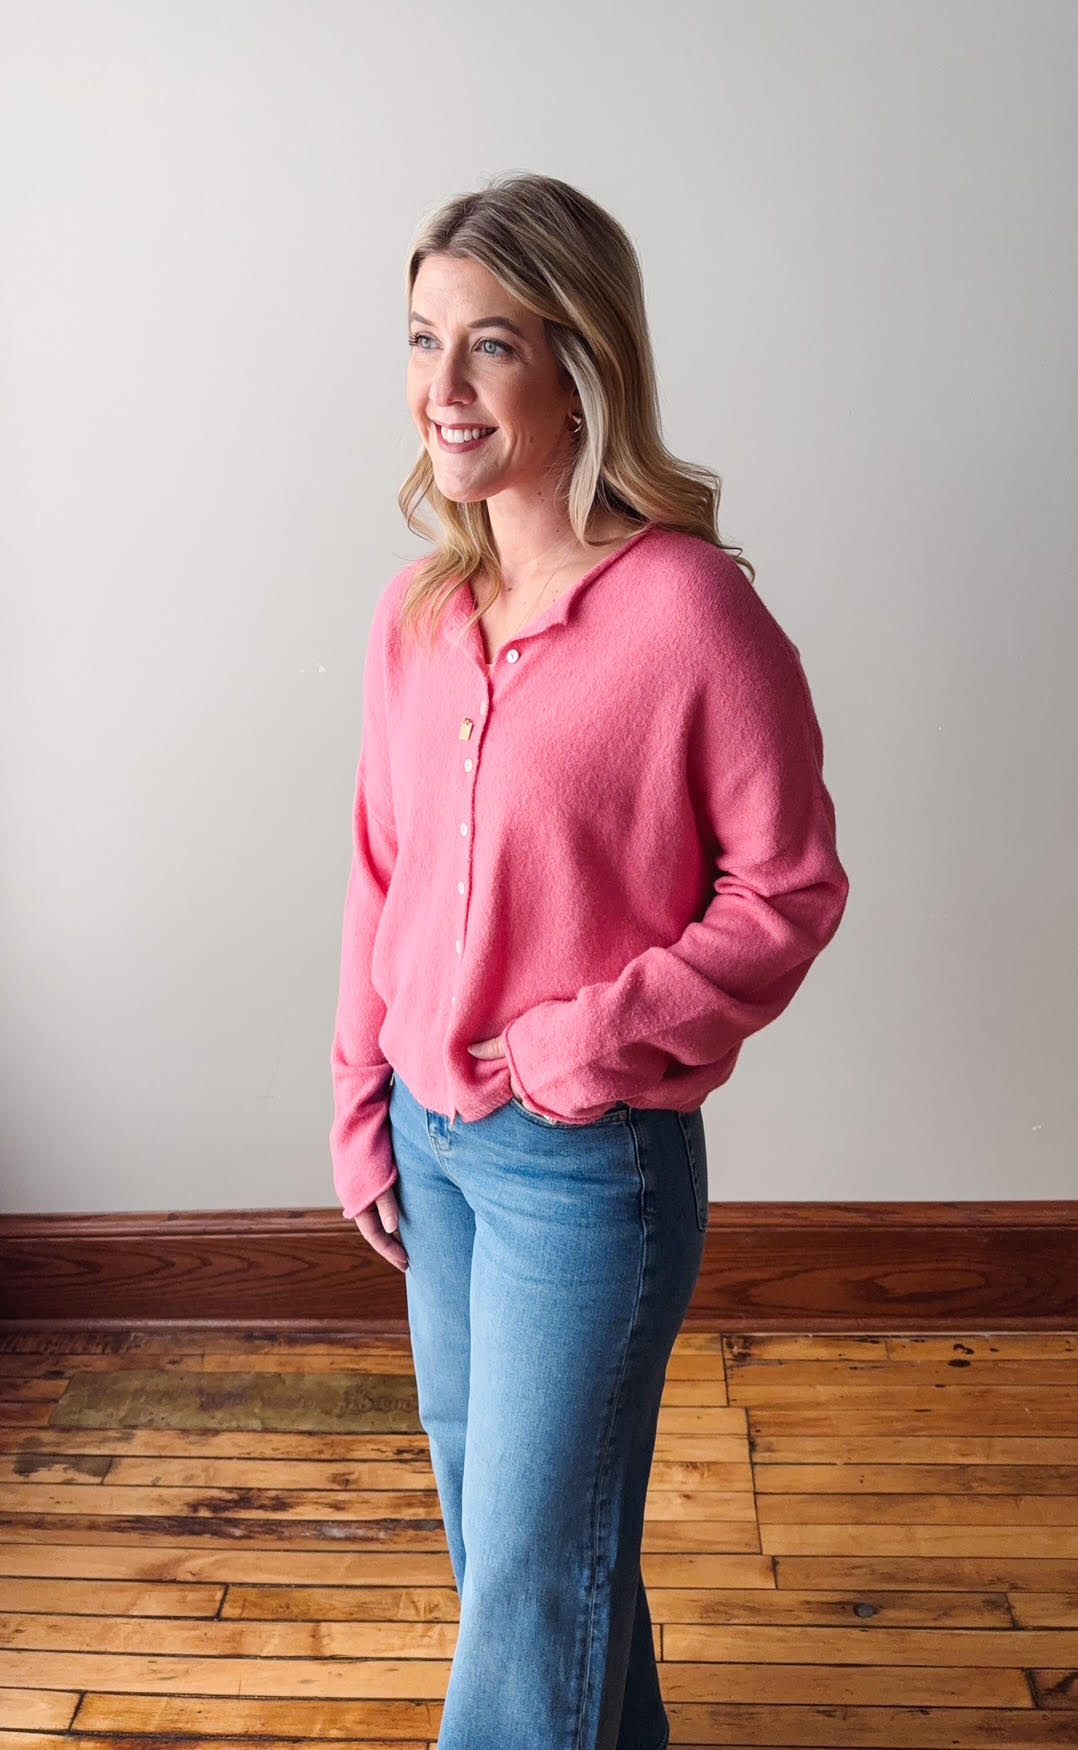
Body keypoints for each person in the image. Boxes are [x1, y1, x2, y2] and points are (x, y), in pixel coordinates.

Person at [329, 171, 850, 1750]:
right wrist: (359, 1094)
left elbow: (787, 888)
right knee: (523, 1552)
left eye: (489, 343)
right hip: (429, 1141)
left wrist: (579, 1037)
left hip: (584, 1162)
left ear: (580, 362)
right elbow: (380, 869)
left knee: (529, 1566)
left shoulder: (689, 610)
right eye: (421, 338)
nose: (442, 385)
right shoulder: (419, 613)